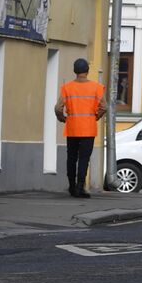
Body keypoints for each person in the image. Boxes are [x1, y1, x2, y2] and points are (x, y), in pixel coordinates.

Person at [54, 58, 106, 198]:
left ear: (74, 71)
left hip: (72, 128)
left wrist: (63, 119)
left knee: (71, 157)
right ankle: (80, 187)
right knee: (84, 158)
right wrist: (95, 117)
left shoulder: (67, 87)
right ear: (87, 71)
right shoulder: (96, 87)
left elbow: (58, 108)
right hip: (88, 128)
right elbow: (104, 107)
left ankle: (71, 186)